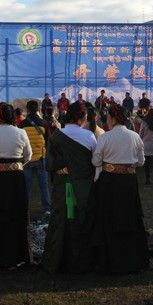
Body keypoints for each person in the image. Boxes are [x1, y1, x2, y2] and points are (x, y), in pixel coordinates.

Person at [87, 104, 148, 273]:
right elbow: (141, 161)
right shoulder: (135, 136)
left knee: (110, 217)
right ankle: (131, 257)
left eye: (108, 117)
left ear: (113, 118)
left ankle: (109, 259)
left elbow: (95, 161)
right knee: (129, 216)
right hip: (129, 182)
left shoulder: (105, 137)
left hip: (109, 182)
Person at [43, 101, 97, 273]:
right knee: (79, 219)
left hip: (63, 186)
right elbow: (95, 162)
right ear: (83, 117)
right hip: (81, 187)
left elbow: (49, 164)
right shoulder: (89, 136)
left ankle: (58, 258)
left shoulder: (56, 136)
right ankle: (81, 259)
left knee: (62, 219)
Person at [0, 102, 32, 269]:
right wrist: (16, 165)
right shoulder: (21, 133)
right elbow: (28, 156)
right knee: (16, 214)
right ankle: (17, 256)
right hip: (15, 179)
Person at [19, 100, 51, 215]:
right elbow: (48, 140)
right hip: (41, 158)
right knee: (44, 185)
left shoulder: (22, 124)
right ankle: (47, 208)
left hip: (27, 159)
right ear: (38, 109)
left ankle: (24, 209)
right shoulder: (44, 123)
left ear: (27, 109)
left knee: (27, 186)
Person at [135, 108, 153, 185]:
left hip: (146, 144)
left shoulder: (144, 122)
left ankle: (147, 179)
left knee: (147, 164)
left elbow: (140, 134)